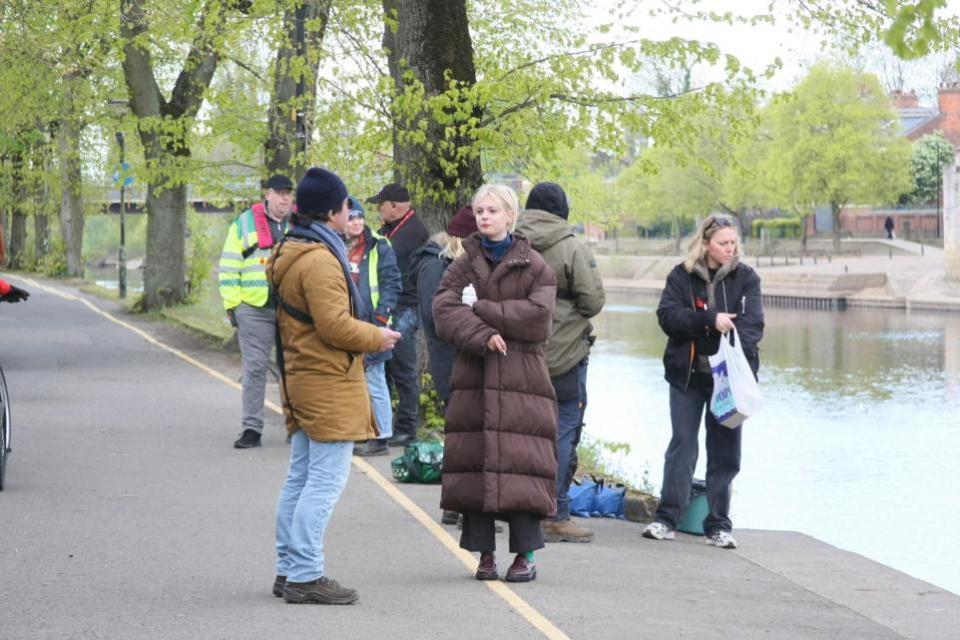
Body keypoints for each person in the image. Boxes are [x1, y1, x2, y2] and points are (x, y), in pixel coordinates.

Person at [268, 167, 401, 605]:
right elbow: (336, 327)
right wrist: (377, 337)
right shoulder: (322, 260)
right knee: (323, 482)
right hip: (326, 380)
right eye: (346, 205)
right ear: (331, 212)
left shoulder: (293, 247)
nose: (351, 212)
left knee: (301, 478)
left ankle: (289, 570)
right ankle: (306, 575)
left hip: (303, 377)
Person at [433, 184, 558, 583]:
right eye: (479, 210)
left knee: (523, 464)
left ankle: (525, 555)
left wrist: (481, 308)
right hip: (475, 376)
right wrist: (481, 334)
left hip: (523, 378)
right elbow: (443, 310)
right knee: (476, 463)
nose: (484, 217)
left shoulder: (535, 265)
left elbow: (538, 316)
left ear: (510, 215)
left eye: (492, 210)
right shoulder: (462, 264)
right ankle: (484, 554)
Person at [642, 214, 764, 550]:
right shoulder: (681, 276)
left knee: (725, 451)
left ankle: (718, 525)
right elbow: (668, 317)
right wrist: (711, 320)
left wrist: (732, 346)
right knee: (682, 444)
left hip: (729, 382)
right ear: (706, 244)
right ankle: (667, 519)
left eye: (733, 243)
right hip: (688, 376)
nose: (730, 248)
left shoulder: (747, 279)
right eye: (723, 243)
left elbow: (754, 326)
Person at [516, 182, 605, 544]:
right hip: (565, 354)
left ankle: (515, 510)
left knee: (519, 432)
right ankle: (555, 514)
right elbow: (593, 301)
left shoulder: (511, 243)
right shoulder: (572, 247)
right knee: (563, 431)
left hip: (518, 353)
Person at [410, 204, 478, 527]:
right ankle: (463, 506)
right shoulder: (437, 267)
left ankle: (455, 503)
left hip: (450, 361)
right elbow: (437, 318)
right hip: (451, 362)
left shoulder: (436, 263)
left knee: (460, 434)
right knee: (465, 435)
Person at [219, 174, 293, 449]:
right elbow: (228, 265)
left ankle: (295, 427)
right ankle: (252, 428)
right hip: (253, 307)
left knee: (294, 369)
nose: (285, 198)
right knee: (255, 368)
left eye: (288, 193)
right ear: (267, 194)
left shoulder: (300, 222)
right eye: (280, 193)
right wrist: (233, 305)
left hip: (292, 309)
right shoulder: (245, 222)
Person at [366, 183, 429, 447]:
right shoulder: (390, 230)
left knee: (403, 367)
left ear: (394, 206)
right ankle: (388, 424)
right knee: (388, 368)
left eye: (380, 205)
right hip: (393, 307)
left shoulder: (411, 232)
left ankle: (407, 427)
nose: (378, 210)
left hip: (407, 307)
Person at [342, 196, 402, 457]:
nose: (356, 222)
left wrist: (380, 318)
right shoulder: (337, 246)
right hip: (346, 323)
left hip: (372, 324)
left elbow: (392, 284)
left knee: (375, 379)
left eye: (359, 217)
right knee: (352, 379)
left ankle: (382, 437)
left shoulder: (379, 245)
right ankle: (361, 431)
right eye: (351, 217)